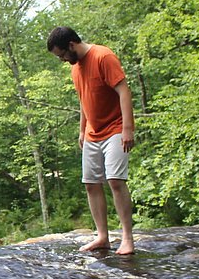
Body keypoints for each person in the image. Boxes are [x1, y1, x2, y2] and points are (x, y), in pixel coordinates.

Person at [47, 26, 135, 255]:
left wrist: (128, 129)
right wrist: (81, 131)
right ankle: (102, 237)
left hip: (116, 128)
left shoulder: (103, 56)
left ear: (71, 45)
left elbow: (124, 91)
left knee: (115, 180)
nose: (62, 60)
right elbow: (84, 101)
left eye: (62, 55)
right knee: (91, 184)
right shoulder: (75, 68)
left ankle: (127, 238)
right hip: (92, 133)